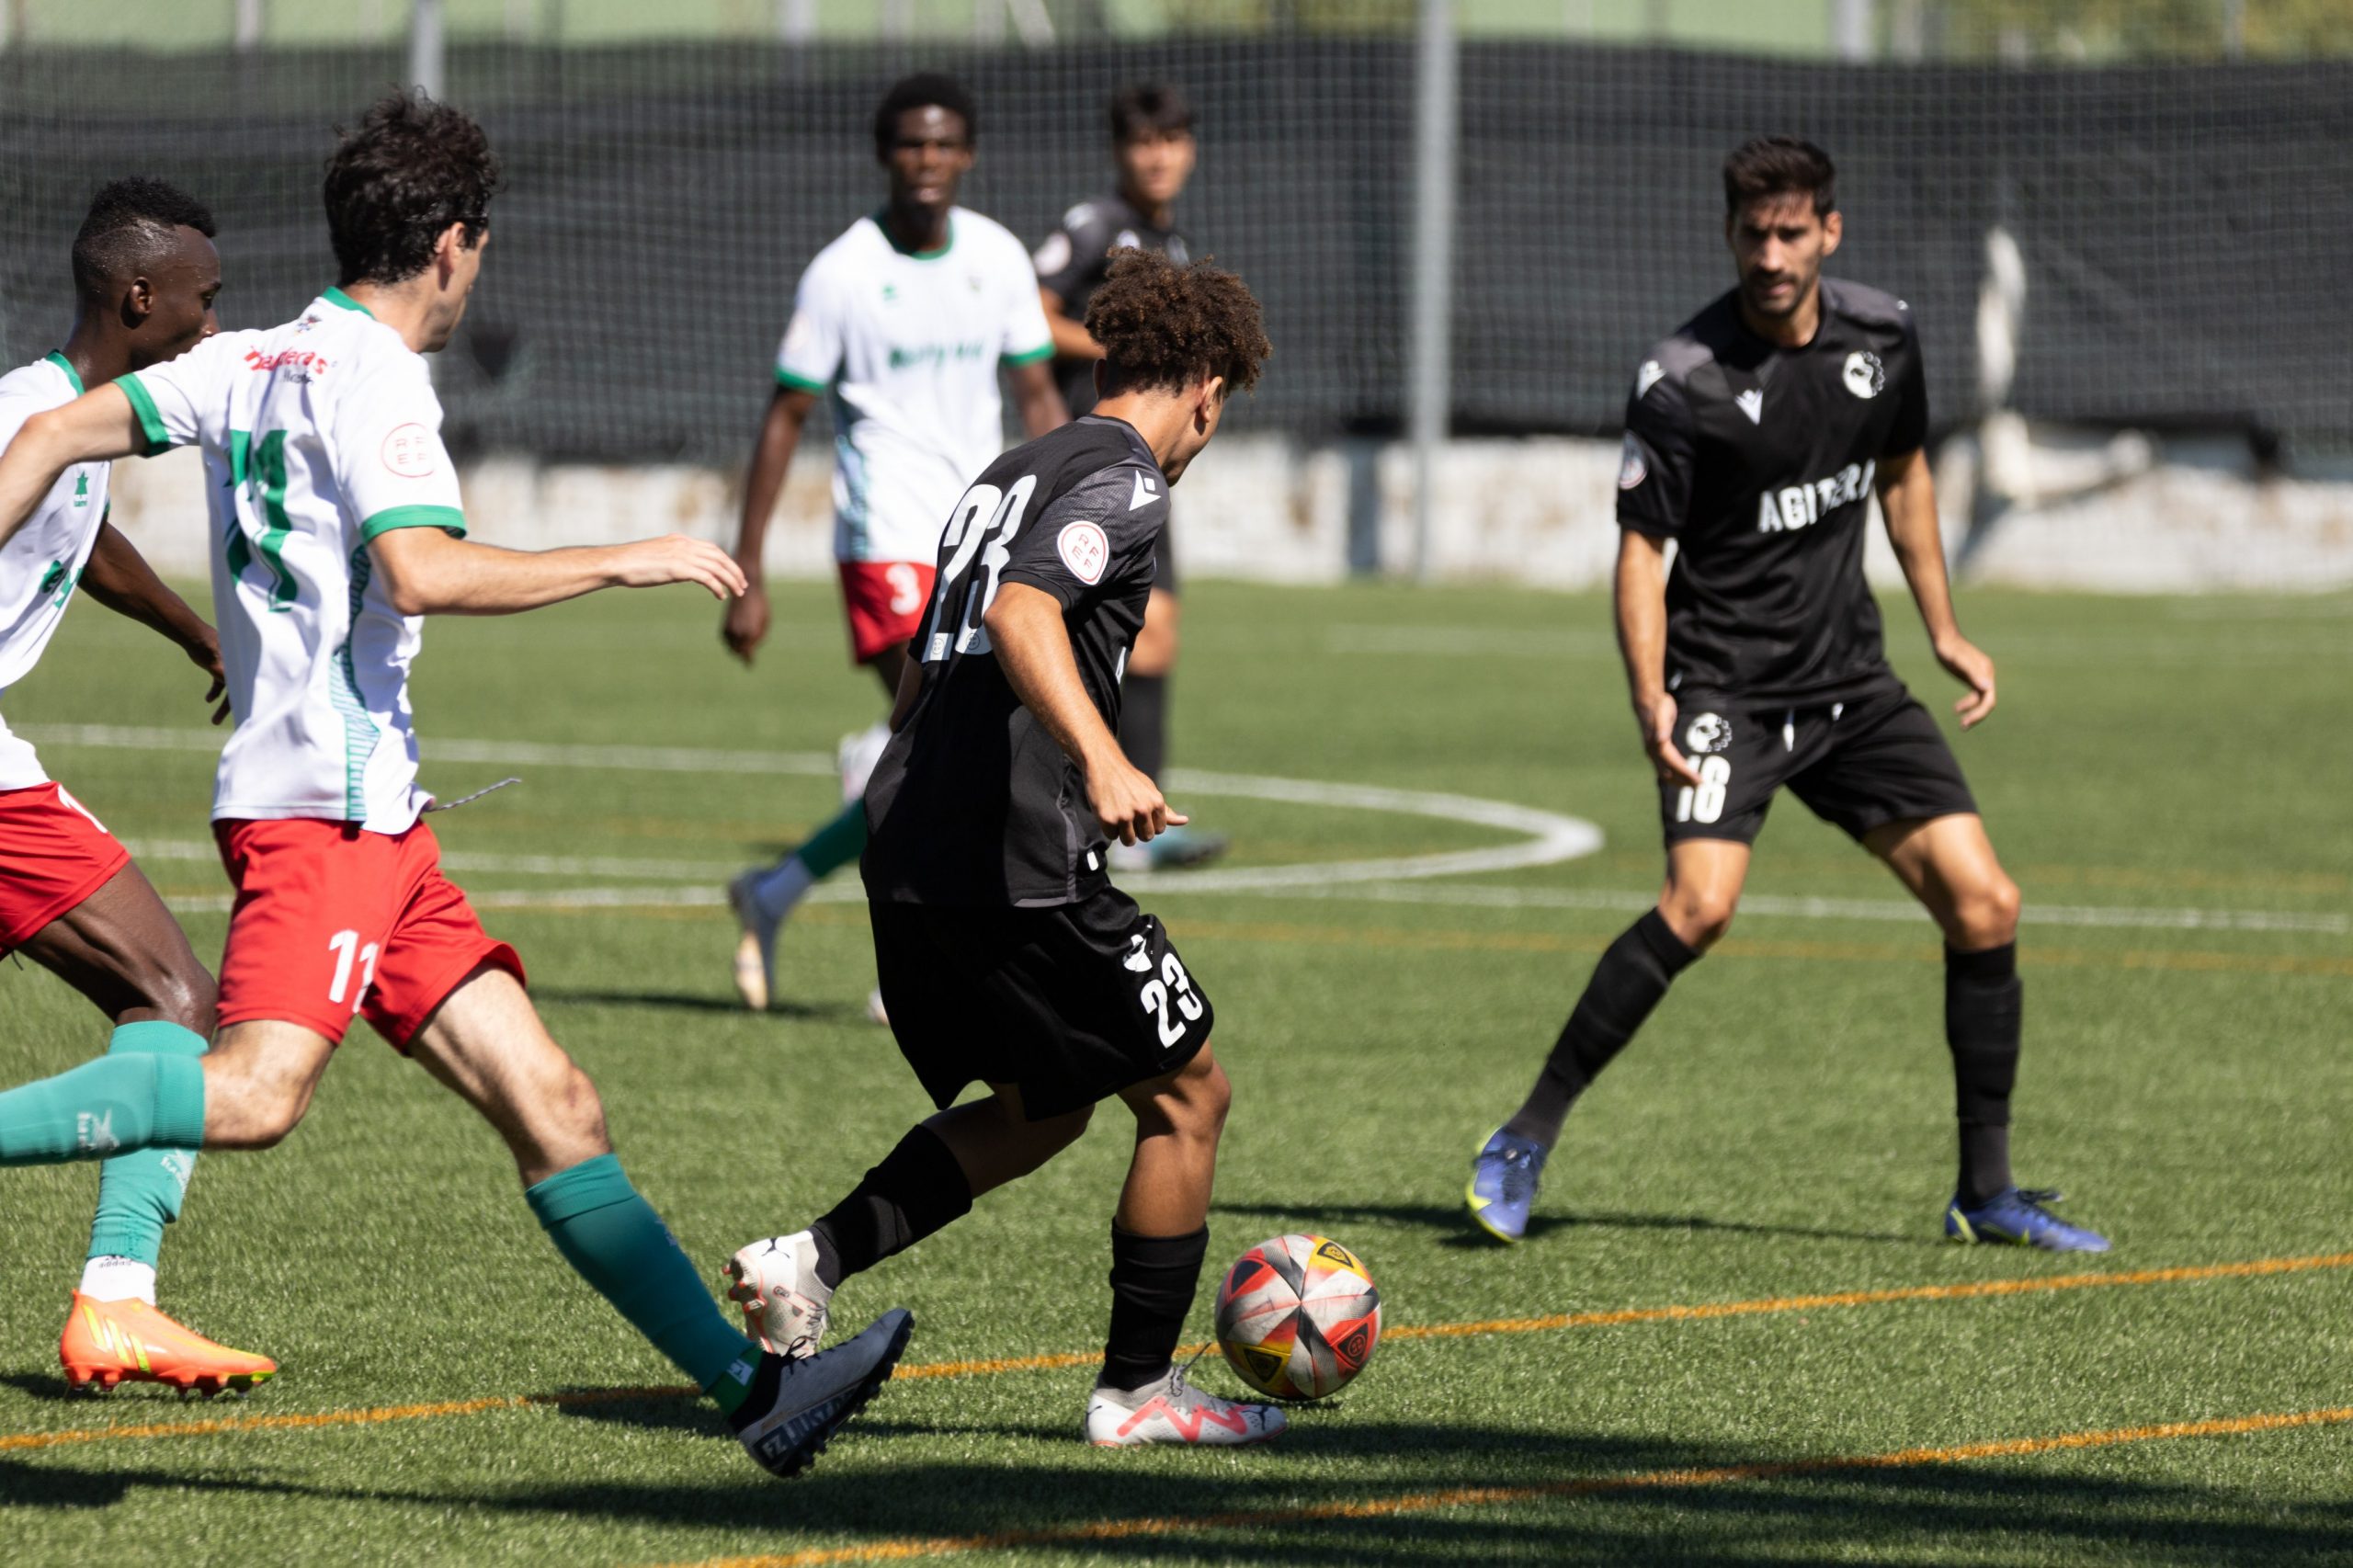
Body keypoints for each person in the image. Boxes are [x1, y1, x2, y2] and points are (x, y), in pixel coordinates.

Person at [0, 91, 909, 1477]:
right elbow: (423, 569)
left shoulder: (249, 356)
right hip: (324, 818)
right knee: (250, 1093)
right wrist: (623, 556)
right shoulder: (372, 379)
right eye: (480, 246)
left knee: (556, 1103)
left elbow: (58, 435)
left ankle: (755, 1394)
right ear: (453, 245)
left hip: (383, 827)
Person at [1465, 136, 2109, 1254]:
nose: (1770, 254)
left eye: (1791, 232)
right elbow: (1638, 555)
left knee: (1985, 903)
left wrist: (1944, 628)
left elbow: (1903, 475)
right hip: (1725, 686)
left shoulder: (1883, 336)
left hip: (1850, 681)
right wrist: (1648, 698)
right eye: (1752, 235)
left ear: (1828, 232)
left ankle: (1987, 1189)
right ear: (1731, 236)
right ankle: (1524, 1133)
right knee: (1700, 905)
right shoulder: (1683, 380)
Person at [723, 251, 1283, 1448]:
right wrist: (1105, 759)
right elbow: (1028, 613)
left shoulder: (1010, 469)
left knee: (1048, 1103)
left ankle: (806, 1261)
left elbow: (939, 657)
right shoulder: (1127, 482)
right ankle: (1135, 1397)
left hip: (916, 835)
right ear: (1207, 390)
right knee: (1190, 1094)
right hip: (1015, 856)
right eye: (1219, 410)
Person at [0, 176, 275, 1393]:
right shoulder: (26, 411)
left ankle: (120, 1300)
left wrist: (194, 630)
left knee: (171, 993)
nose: (212, 327)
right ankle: (117, 1297)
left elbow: (80, 533)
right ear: (138, 295)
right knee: (171, 993)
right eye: (202, 304)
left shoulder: (70, 425)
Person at [722, 72, 1066, 1016]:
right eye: (911, 145)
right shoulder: (841, 273)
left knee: (941, 751)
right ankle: (910, 961)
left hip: (979, 536)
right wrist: (745, 572)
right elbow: (784, 416)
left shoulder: (995, 258)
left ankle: (778, 887)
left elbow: (1036, 393)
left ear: (968, 154)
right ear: (885, 155)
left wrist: (1067, 504)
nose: (927, 161)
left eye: (943, 144)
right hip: (884, 539)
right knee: (959, 743)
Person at [1032, 82, 1222, 872]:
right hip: (1094, 458)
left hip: (1144, 464)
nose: (1159, 155)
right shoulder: (1097, 227)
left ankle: (1145, 813)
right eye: (1144, 142)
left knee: (1159, 632)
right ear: (1120, 151)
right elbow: (1030, 312)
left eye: (1172, 140)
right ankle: (1088, 809)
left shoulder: (1169, 243)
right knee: (1083, 635)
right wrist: (1121, 344)